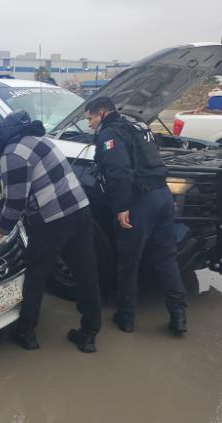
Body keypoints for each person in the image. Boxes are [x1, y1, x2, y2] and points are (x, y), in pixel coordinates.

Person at [0, 111, 102, 353]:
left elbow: (16, 201)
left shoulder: (11, 155)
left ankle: (26, 332)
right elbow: (17, 189)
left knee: (36, 273)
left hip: (52, 220)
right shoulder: (36, 140)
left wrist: (0, 231)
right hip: (80, 211)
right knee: (86, 272)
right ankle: (89, 334)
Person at [84, 96, 188, 335]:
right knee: (166, 259)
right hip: (163, 196)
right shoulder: (137, 127)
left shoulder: (110, 134)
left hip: (140, 202)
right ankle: (179, 315)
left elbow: (119, 172)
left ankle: (126, 318)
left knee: (129, 262)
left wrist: (121, 208)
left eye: (90, 119)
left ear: (102, 113)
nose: (89, 124)